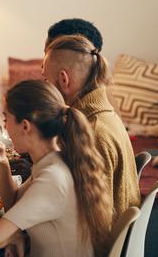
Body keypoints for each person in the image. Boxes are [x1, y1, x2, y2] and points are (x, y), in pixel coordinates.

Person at [0, 80, 112, 256]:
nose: (5, 128)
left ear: (25, 126)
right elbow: (13, 204)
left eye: (6, 119)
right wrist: (3, 163)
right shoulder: (55, 161)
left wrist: (15, 236)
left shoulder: (52, 178)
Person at [43, 34, 140, 222]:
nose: (46, 87)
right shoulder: (105, 115)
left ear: (64, 79)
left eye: (46, 80)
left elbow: (88, 216)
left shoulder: (92, 133)